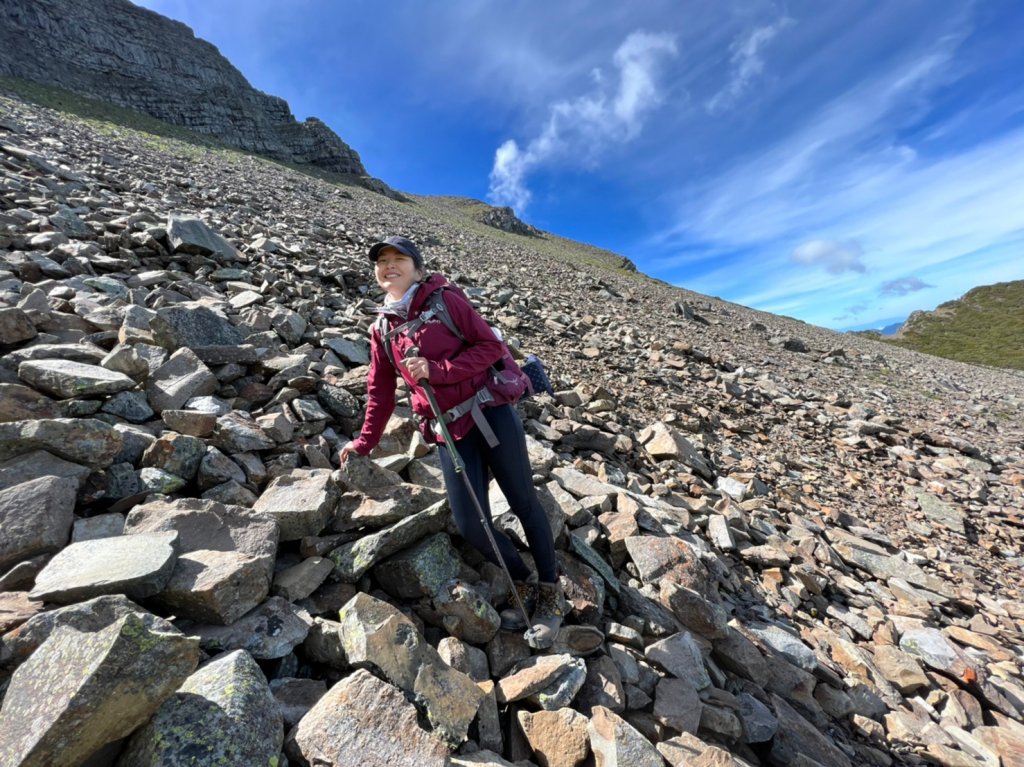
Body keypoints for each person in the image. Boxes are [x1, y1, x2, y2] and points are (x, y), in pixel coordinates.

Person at [339, 235, 563, 649]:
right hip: (447, 431)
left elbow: (490, 347)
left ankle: (550, 594)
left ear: (417, 268)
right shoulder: (382, 329)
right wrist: (365, 443)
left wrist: (437, 370)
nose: (389, 266)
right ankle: (525, 579)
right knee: (470, 524)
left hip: (489, 414)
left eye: (398, 259)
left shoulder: (445, 300)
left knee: (522, 501)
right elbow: (380, 391)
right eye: (382, 261)